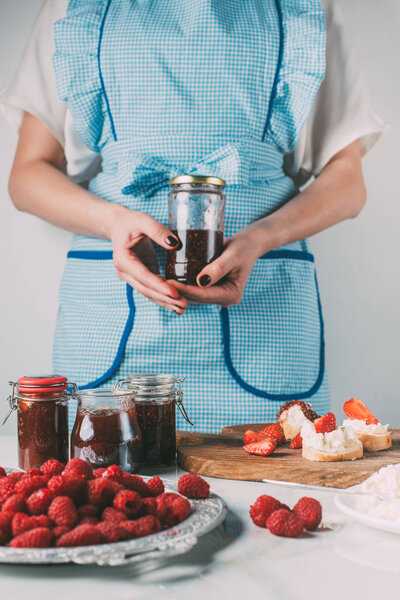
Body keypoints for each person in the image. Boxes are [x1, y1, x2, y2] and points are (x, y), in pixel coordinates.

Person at [1, 0, 385, 433]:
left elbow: (348, 182)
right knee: (106, 490)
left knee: (279, 488)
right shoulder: (76, 7)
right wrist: (113, 223)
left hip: (263, 317)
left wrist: (260, 238)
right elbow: (27, 175)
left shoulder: (306, 8)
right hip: (115, 313)